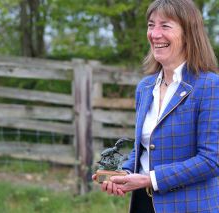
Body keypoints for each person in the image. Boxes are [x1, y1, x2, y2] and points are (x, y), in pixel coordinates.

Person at [93, 0, 219, 212]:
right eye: (151, 25)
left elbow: (211, 160)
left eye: (165, 26)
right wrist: (122, 174)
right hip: (143, 204)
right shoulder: (145, 87)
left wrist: (150, 179)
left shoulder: (210, 86)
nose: (155, 34)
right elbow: (142, 148)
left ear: (188, 33)